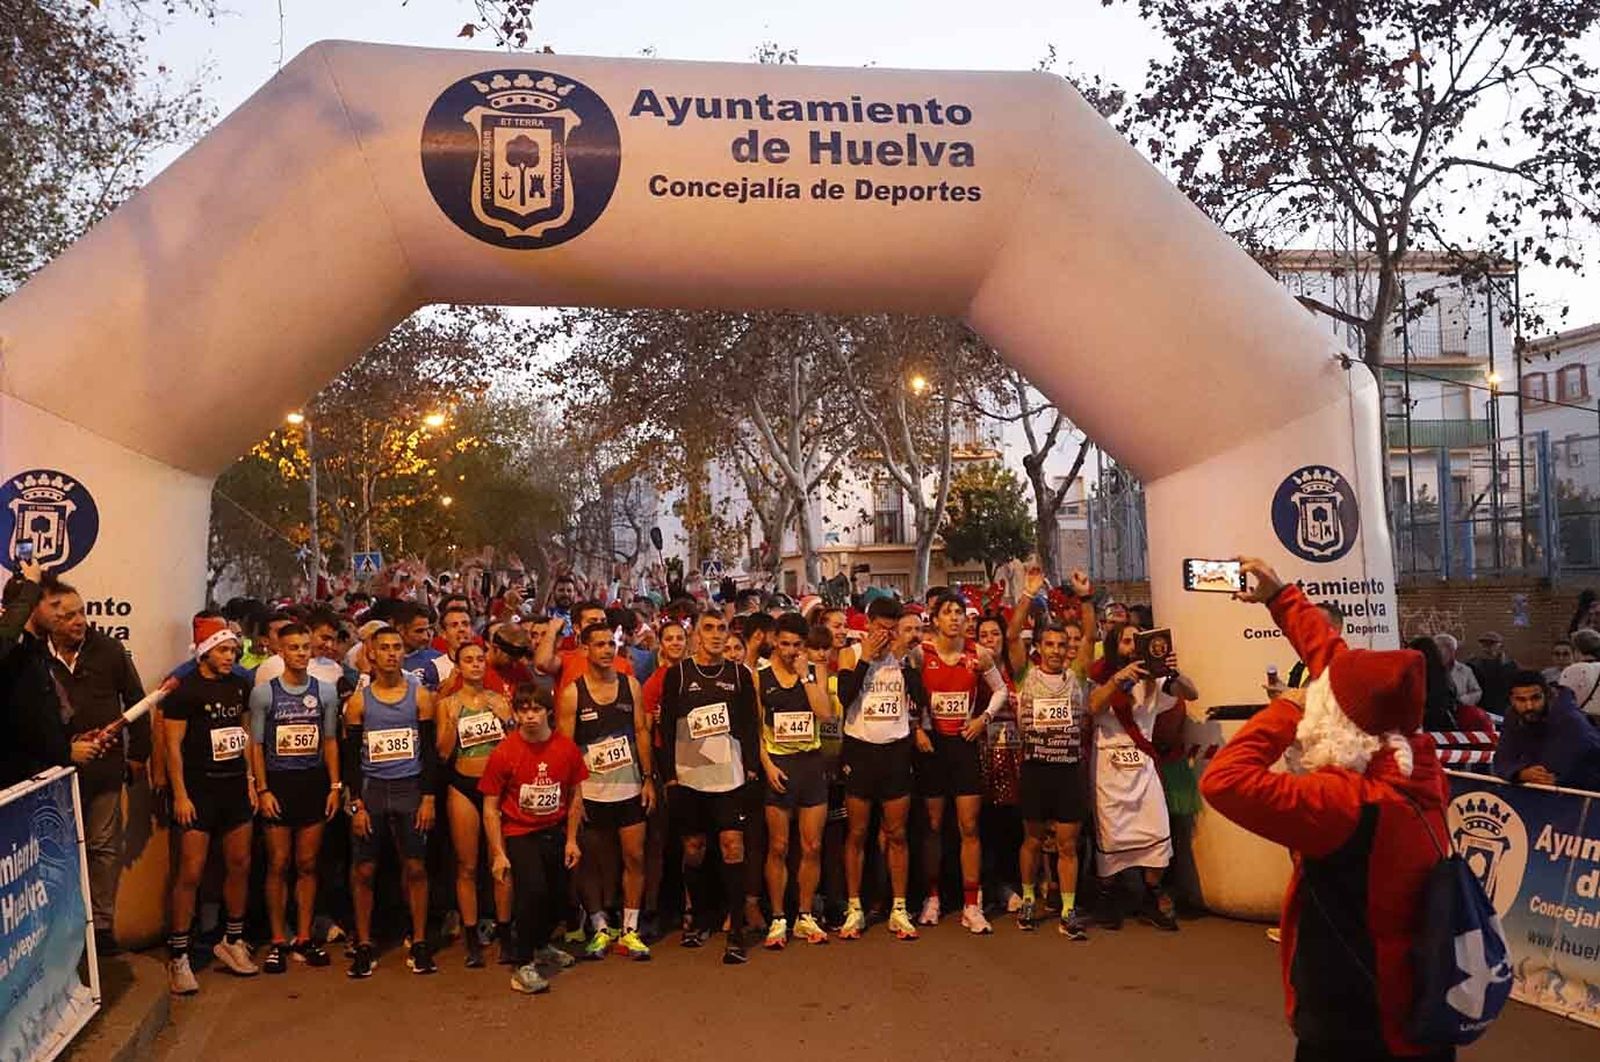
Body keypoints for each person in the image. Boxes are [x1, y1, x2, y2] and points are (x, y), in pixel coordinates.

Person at [1203, 557, 1455, 1062]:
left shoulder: (1344, 805)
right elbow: (1345, 672)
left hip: (1357, 1029)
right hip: (1422, 1016)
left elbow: (1223, 780)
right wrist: (1281, 597)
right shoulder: (1418, 764)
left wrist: (1287, 710)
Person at [43, 580, 150, 954]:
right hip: (53, 775)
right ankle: (58, 926)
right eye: (69, 615)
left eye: (82, 612)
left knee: (102, 847)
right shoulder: (33, 658)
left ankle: (101, 927)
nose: (80, 621)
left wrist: (138, 755)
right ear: (49, 617)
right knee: (54, 850)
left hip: (104, 771)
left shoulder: (109, 650)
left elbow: (136, 702)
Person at [657, 609, 762, 964]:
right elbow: (666, 726)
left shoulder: (739, 674)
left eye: (721, 628)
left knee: (733, 846)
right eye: (709, 628)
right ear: (697, 635)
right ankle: (700, 918)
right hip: (689, 777)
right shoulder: (678, 675)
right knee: (694, 849)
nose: (716, 635)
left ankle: (736, 932)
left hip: (729, 777)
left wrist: (750, 768)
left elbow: (750, 724)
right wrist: (669, 775)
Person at [163, 613, 258, 994]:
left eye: (234, 650)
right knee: (190, 872)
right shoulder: (184, 690)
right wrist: (180, 794)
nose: (230, 656)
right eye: (223, 650)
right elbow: (172, 746)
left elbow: (244, 733)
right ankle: (178, 955)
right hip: (198, 791)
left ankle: (232, 939)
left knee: (240, 864)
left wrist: (251, 781)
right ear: (205, 652)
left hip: (234, 788)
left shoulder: (240, 685)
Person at [342, 626, 440, 977]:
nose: (391, 653)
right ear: (372, 653)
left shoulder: (420, 697)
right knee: (364, 869)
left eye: (397, 647)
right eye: (384, 647)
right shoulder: (358, 702)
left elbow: (429, 751)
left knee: (415, 867)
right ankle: (364, 943)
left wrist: (428, 798)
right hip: (372, 791)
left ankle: (420, 941)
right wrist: (357, 805)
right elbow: (351, 760)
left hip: (409, 789)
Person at [1087, 618, 1195, 931]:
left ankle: (1150, 896)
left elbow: (1192, 693)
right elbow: (1093, 706)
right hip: (1109, 765)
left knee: (1155, 829)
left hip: (1144, 766)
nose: (1132, 648)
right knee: (1112, 833)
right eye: (1125, 641)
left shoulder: (1153, 681)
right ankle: (1107, 897)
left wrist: (1174, 672)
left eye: (1137, 641)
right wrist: (1116, 680)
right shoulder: (1100, 677)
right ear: (1113, 647)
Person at [1005, 569, 1096, 938]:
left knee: (1067, 845)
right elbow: (1012, 635)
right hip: (1035, 769)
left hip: (1068, 771)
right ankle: (1029, 898)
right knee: (1031, 840)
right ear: (1039, 648)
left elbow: (1090, 636)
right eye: (1050, 645)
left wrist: (1085, 598)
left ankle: (1069, 910)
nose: (1057, 650)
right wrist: (1028, 593)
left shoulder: (1077, 676)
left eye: (1062, 645)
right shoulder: (1025, 675)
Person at [911, 591, 1008, 933]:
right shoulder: (920, 654)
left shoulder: (977, 653)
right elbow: (906, 691)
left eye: (959, 613)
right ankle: (932, 897)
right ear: (935, 620)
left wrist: (984, 718)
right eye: (948, 613)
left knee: (969, 826)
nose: (954, 618)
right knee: (933, 826)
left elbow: (1001, 690)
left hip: (964, 744)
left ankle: (971, 904)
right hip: (932, 747)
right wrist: (916, 727)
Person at [556, 623, 654, 961]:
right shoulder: (573, 694)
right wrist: (574, 795)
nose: (607, 650)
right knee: (590, 862)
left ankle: (630, 929)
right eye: (599, 644)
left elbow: (641, 731)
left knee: (635, 856)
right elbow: (566, 749)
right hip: (591, 791)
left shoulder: (630, 686)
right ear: (585, 650)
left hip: (629, 786)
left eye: (610, 644)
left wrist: (648, 778)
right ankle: (598, 925)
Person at [247, 622, 341, 973]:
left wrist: (335, 786)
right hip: (278, 784)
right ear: (281, 652)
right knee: (278, 863)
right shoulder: (264, 694)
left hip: (313, 783)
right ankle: (277, 939)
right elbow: (256, 745)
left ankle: (303, 936)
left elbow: (330, 741)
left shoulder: (325, 692)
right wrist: (262, 789)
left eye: (305, 647)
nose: (301, 653)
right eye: (294, 648)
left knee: (308, 863)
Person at [481, 684, 586, 995]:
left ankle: (542, 946)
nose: (530, 716)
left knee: (557, 895)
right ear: (515, 714)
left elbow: (575, 795)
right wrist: (498, 853)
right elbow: (490, 807)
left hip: (554, 831)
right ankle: (523, 963)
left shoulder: (566, 748)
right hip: (519, 833)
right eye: (523, 710)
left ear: (548, 712)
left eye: (536, 709)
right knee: (532, 892)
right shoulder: (504, 753)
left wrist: (571, 840)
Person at [835, 597, 924, 942]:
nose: (886, 635)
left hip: (896, 751)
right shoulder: (851, 654)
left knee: (897, 833)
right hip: (860, 751)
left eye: (891, 629)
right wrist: (867, 660)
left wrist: (902, 661)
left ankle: (899, 908)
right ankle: (854, 907)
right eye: (881, 628)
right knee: (857, 832)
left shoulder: (905, 657)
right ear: (868, 625)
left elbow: (920, 699)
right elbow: (844, 696)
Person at [756, 612, 835, 949]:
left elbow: (825, 714)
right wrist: (767, 766)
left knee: (812, 846)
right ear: (775, 641)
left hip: (811, 766)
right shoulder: (760, 677)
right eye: (785, 644)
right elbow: (755, 729)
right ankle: (778, 917)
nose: (790, 651)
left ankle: (805, 914)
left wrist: (806, 677)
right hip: (778, 766)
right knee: (778, 846)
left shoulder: (815, 671)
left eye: (797, 645)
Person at [435, 640, 514, 967]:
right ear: (458, 667)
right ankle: (471, 939)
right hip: (463, 785)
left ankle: (506, 934)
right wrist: (452, 723)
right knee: (466, 865)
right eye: (468, 660)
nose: (476, 664)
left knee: (501, 861)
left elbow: (514, 745)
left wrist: (507, 720)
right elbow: (442, 753)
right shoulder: (447, 704)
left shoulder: (499, 700)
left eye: (480, 659)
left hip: (497, 788)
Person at [0, 564, 72, 789]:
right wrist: (66, 751)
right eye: (54, 605)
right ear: (31, 606)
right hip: (14, 786)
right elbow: (24, 724)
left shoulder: (39, 653)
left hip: (41, 780)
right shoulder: (12, 656)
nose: (61, 613)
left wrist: (69, 744)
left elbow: (44, 717)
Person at [1492, 670, 1600, 788]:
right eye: (1521, 700)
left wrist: (1547, 777)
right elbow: (1502, 760)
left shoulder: (1571, 721)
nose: (1529, 706)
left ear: (1547, 695)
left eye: (1536, 698)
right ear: (1512, 700)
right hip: (1537, 788)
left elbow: (1565, 770)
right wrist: (1520, 773)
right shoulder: (1514, 716)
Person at [1467, 632, 1519, 715]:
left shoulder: (1510, 666)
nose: (1487, 647)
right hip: (1480, 708)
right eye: (1484, 644)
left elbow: (1515, 688)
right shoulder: (1472, 665)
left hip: (1502, 708)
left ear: (1500, 645)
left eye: (1491, 643)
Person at [1432, 634, 1482, 708]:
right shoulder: (1428, 669)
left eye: (1443, 648)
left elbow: (1477, 692)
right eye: (1436, 649)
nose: (1438, 653)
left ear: (1453, 651)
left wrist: (1463, 700)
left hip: (1460, 710)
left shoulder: (1465, 670)